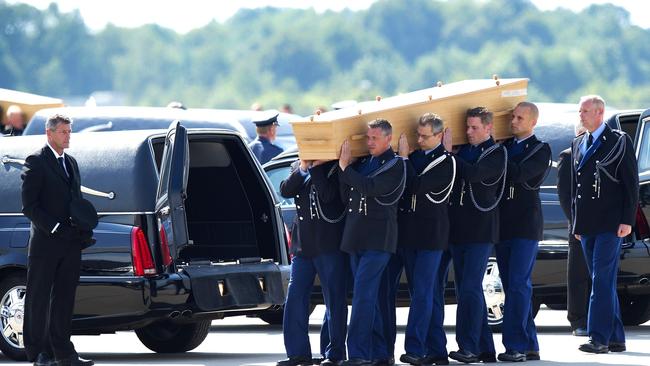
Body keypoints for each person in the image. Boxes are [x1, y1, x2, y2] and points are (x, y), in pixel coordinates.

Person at [21, 114, 94, 366]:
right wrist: (54, 228)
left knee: (65, 299)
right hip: (45, 244)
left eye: (69, 131)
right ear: (49, 133)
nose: (68, 136)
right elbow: (29, 207)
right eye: (63, 131)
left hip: (71, 243)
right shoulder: (36, 161)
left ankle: (64, 353)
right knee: (38, 299)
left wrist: (83, 228)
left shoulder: (71, 162)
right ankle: (38, 353)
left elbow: (75, 202)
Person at [571, 95, 638, 354]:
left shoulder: (619, 141)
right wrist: (576, 223)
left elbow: (630, 183)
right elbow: (576, 188)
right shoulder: (579, 142)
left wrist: (627, 220)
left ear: (600, 113)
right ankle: (616, 337)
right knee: (602, 280)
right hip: (587, 224)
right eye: (580, 111)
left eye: (585, 111)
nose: (581, 115)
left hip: (611, 223)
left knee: (601, 280)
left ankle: (598, 338)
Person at [338, 119, 406, 366]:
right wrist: (346, 171)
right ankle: (379, 352)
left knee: (363, 295)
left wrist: (346, 170)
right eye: (367, 138)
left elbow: (370, 187)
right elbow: (347, 194)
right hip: (356, 237)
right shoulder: (364, 163)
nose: (369, 143)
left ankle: (358, 353)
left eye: (374, 138)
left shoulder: (395, 164)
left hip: (379, 240)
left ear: (389, 139)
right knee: (372, 297)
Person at [394, 113, 456, 366]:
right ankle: (437, 349)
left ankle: (416, 348)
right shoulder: (417, 157)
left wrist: (405, 158)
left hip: (432, 238)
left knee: (422, 293)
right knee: (425, 292)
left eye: (424, 135)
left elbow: (416, 186)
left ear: (439, 136)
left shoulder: (445, 162)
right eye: (417, 134)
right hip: (410, 236)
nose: (419, 139)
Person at [447, 107, 506, 364]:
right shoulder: (467, 151)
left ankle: (468, 346)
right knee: (465, 290)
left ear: (488, 128)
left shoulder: (496, 153)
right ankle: (485, 349)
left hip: (481, 231)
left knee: (470, 288)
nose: (469, 133)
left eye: (474, 128)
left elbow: (473, 174)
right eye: (467, 128)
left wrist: (448, 154)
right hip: (460, 230)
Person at [276, 159, 348, 366]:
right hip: (303, 246)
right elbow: (286, 190)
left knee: (334, 299)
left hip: (329, 244)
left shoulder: (335, 166)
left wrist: (316, 167)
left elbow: (328, 196)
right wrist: (304, 167)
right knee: (295, 297)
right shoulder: (299, 165)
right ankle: (298, 353)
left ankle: (333, 353)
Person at [496, 102, 551, 362]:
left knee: (518, 285)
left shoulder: (540, 149)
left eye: (520, 118)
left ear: (533, 122)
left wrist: (495, 154)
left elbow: (519, 175)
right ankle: (530, 343)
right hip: (504, 225)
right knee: (513, 287)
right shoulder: (504, 147)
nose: (514, 121)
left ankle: (515, 346)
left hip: (525, 226)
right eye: (512, 117)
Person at [557, 125, 590, 337]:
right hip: (578, 225)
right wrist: (576, 223)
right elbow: (564, 194)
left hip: (601, 224)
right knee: (578, 275)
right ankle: (578, 320)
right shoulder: (568, 155)